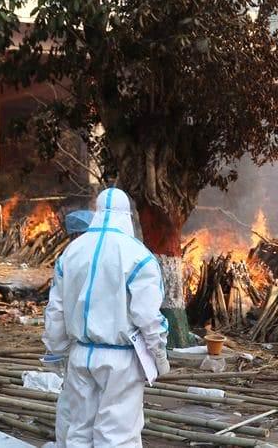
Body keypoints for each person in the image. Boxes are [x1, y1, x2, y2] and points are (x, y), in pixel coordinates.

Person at [44, 188, 170, 447]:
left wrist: (55, 350)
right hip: (121, 360)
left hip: (80, 355)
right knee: (117, 435)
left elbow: (55, 309)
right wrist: (159, 356)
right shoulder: (138, 256)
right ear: (127, 215)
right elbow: (148, 316)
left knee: (78, 430)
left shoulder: (71, 253)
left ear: (97, 212)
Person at [53, 209, 95, 448]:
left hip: (76, 344)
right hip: (101, 346)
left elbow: (55, 309)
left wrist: (54, 346)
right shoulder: (104, 256)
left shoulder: (67, 258)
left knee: (73, 403)